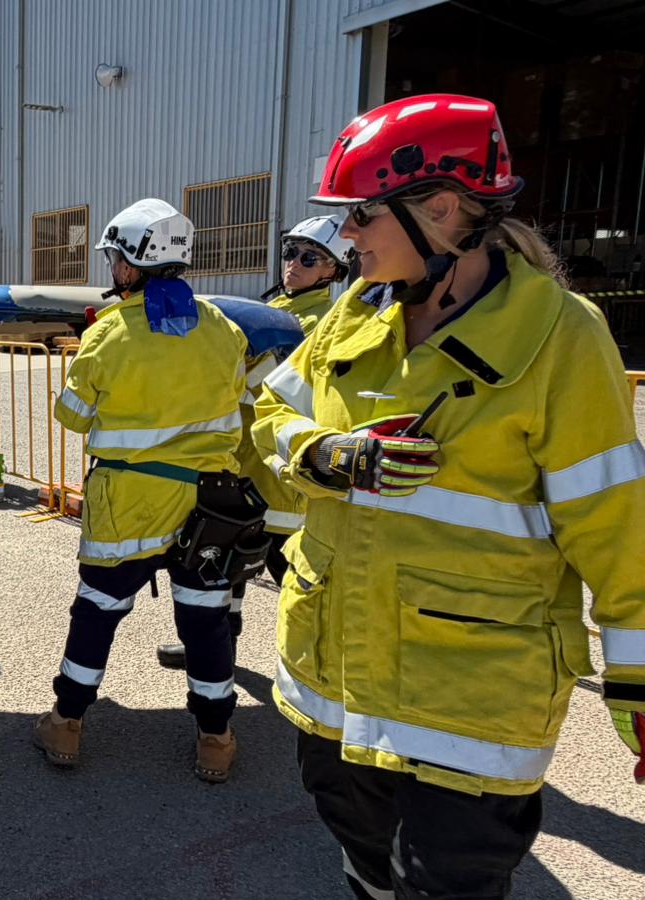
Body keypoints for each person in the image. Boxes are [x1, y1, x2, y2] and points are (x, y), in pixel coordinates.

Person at [254, 94, 645, 899]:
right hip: (335, 684)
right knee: (362, 864)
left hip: (472, 703)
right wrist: (324, 455)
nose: (345, 235)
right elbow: (271, 412)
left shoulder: (562, 335)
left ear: (442, 209)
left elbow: (616, 524)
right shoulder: (352, 311)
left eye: (361, 214)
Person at [32, 198, 253, 783]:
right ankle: (216, 738)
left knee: (98, 612)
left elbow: (72, 417)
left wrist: (86, 353)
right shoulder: (225, 330)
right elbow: (239, 403)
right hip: (210, 502)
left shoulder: (109, 335)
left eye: (113, 260)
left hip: (126, 499)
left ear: (129, 267)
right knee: (206, 621)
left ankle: (67, 725)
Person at [156, 215, 354, 670]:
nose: (294, 264)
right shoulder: (281, 308)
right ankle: (216, 648)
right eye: (290, 252)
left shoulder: (322, 321)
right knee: (228, 567)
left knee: (295, 580)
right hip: (246, 465)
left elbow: (265, 386)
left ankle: (321, 669)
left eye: (309, 258)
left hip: (278, 474)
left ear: (333, 270)